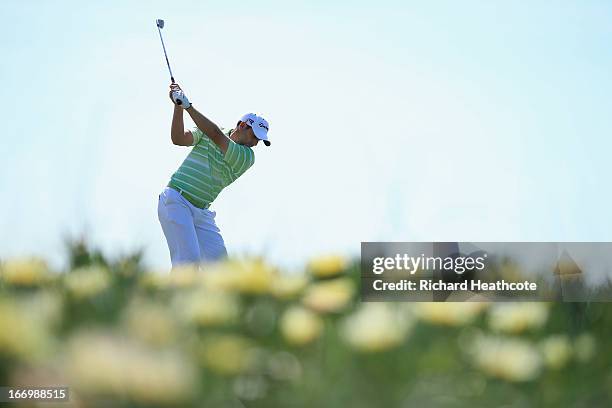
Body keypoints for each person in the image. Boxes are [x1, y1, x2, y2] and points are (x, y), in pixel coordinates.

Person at [158, 83, 270, 268]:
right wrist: (178, 106)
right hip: (176, 199)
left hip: (201, 211)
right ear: (242, 125)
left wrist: (188, 106)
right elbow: (178, 138)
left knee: (221, 268)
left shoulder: (247, 157)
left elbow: (216, 135)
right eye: (254, 136)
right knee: (188, 262)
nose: (255, 143)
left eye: (259, 139)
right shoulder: (206, 131)